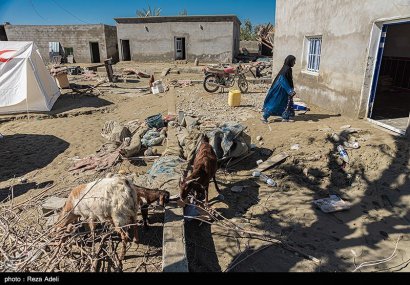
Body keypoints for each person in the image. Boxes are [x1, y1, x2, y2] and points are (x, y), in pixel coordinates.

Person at [261, 55, 297, 123]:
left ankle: (285, 117)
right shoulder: (287, 69)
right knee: (275, 102)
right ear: (290, 61)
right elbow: (282, 79)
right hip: (280, 90)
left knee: (285, 103)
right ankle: (264, 116)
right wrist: (289, 90)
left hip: (284, 90)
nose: (294, 63)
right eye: (293, 61)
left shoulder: (287, 68)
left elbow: (288, 80)